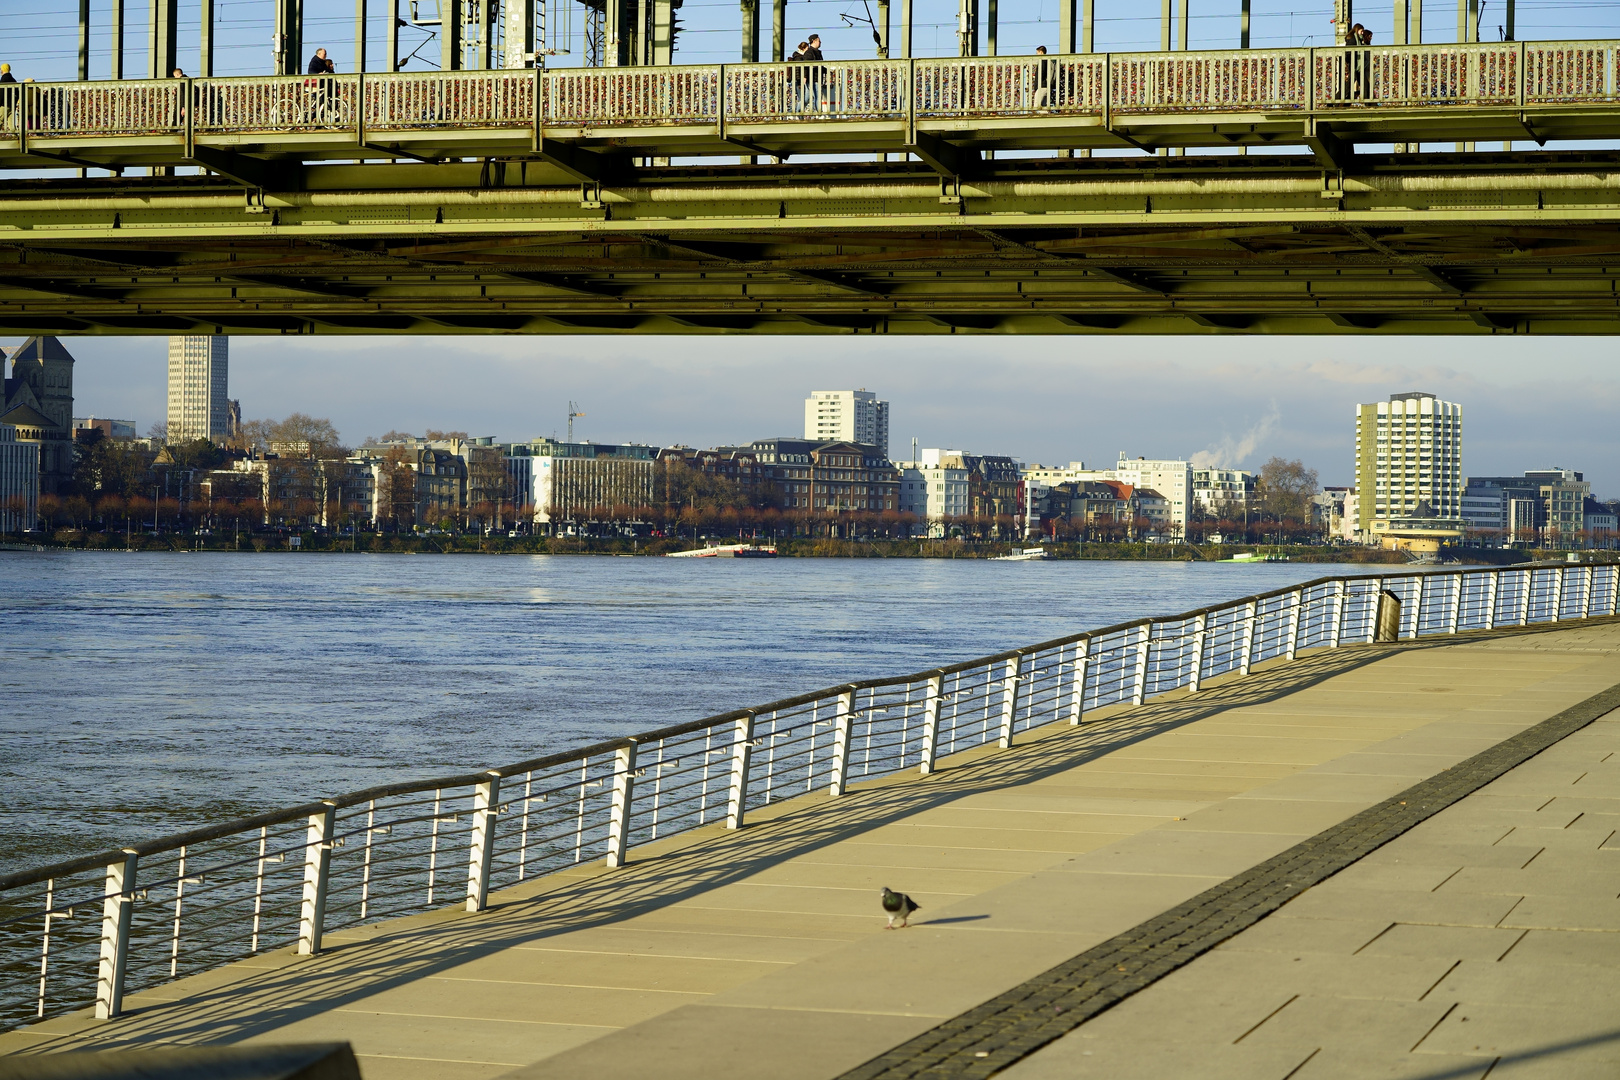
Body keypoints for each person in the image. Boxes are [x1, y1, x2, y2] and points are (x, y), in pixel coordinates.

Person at [802, 33, 828, 112]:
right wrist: (805, 76)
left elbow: (820, 65)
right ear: (814, 41)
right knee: (816, 96)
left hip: (817, 78)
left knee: (808, 98)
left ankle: (798, 110)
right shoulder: (809, 52)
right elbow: (806, 65)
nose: (820, 42)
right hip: (812, 78)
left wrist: (826, 71)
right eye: (819, 41)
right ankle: (819, 113)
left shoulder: (818, 53)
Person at [1033, 45, 1052, 110]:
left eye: (1037, 53)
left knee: (1036, 105)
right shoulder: (1047, 61)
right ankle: (1046, 118)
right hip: (1046, 86)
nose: (1036, 54)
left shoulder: (1043, 61)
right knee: (1043, 107)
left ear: (1041, 52)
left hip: (1042, 86)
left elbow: (1041, 73)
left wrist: (1036, 85)